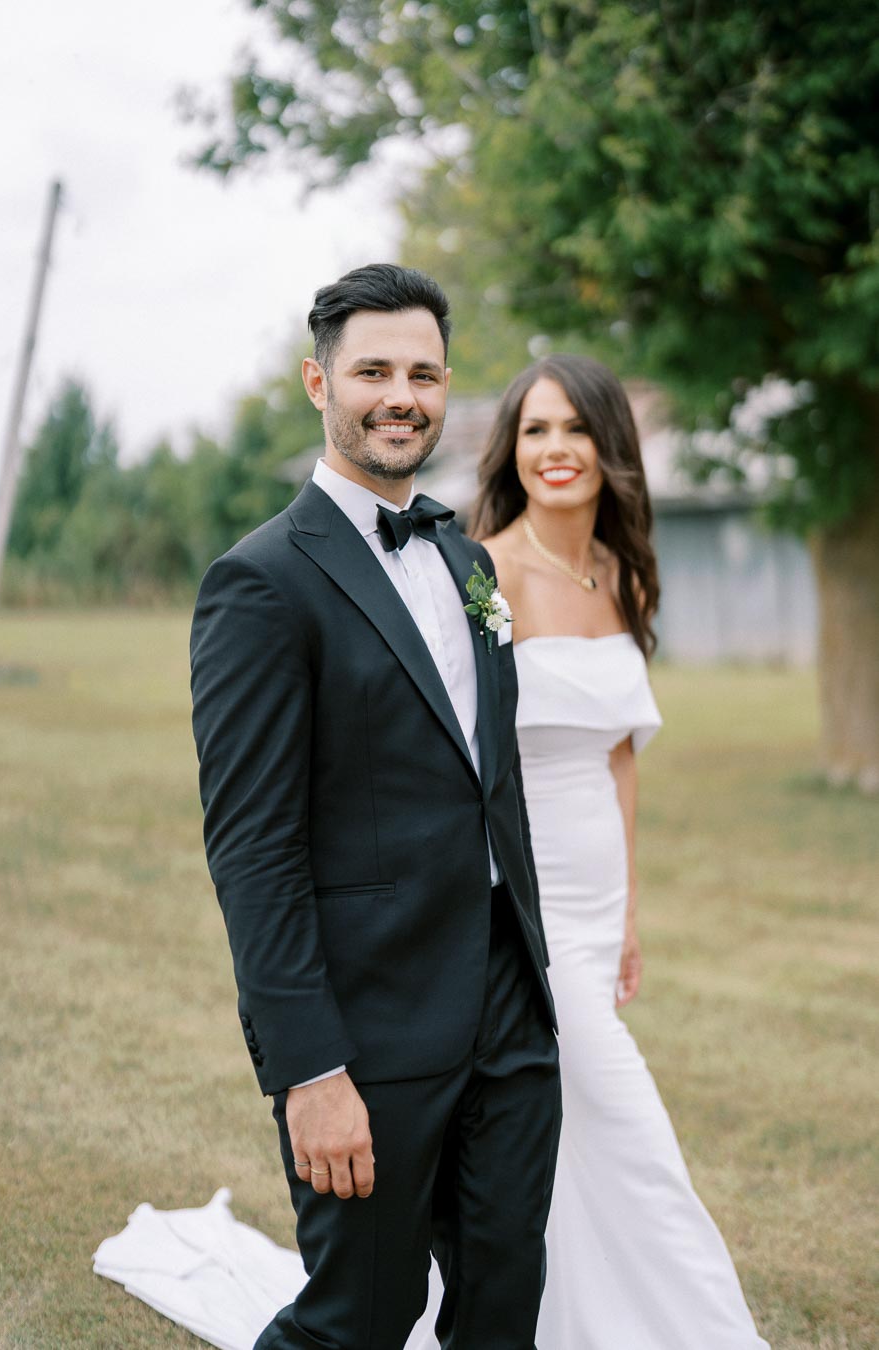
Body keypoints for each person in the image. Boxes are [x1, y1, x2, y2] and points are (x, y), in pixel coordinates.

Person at [189, 264, 561, 1350]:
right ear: (319, 382)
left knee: (503, 1306)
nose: (402, 395)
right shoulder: (261, 583)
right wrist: (309, 1070)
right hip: (370, 1021)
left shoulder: (466, 558)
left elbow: (493, 781)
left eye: (425, 373)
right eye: (374, 372)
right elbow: (252, 852)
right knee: (359, 1317)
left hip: (505, 1001)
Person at [467, 353, 770, 1349]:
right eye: (535, 430)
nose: (555, 450)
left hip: (599, 916)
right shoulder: (484, 576)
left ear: (611, 447)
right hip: (522, 911)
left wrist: (630, 910)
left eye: (575, 429)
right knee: (634, 1134)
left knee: (578, 1139)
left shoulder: (619, 574)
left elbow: (621, 759)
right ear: (513, 451)